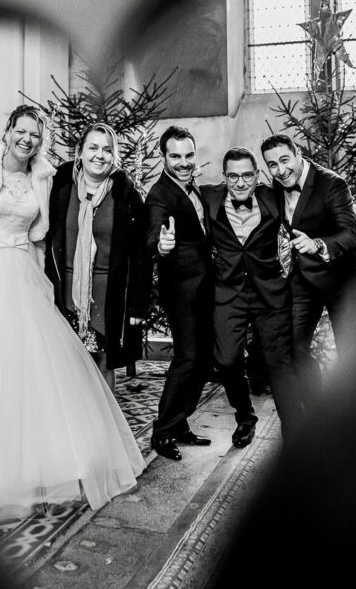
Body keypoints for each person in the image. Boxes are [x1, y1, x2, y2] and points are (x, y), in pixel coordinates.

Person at [0, 105, 144, 520]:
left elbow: (43, 234)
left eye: (34, 134)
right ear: (8, 130)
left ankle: (34, 462)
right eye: (21, 132)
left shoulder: (44, 174)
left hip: (22, 272)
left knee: (31, 366)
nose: (27, 140)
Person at [201, 146, 300, 446]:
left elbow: (307, 205)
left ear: (258, 176)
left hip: (269, 293)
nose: (240, 182)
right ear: (224, 177)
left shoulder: (273, 197)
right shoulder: (208, 197)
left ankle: (296, 436)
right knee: (227, 361)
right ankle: (245, 418)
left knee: (278, 364)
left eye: (247, 175)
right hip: (228, 292)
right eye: (233, 176)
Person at [44, 123, 150, 391]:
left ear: (113, 156)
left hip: (107, 295)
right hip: (63, 293)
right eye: (93, 148)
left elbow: (140, 255)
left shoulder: (126, 195)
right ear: (80, 151)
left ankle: (104, 429)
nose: (99, 155)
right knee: (62, 366)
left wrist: (137, 305)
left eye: (106, 150)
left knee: (102, 366)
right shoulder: (58, 186)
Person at [261, 133, 356, 403]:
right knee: (296, 348)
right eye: (272, 165)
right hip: (304, 279)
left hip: (342, 280)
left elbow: (350, 235)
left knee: (351, 353)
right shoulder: (275, 186)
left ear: (298, 154)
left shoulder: (332, 184)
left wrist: (318, 244)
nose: (281, 170)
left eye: (285, 160)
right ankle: (319, 411)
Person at [144, 125, 214, 461]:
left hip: (205, 286)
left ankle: (180, 422)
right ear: (164, 156)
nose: (184, 162)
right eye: (176, 156)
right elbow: (153, 232)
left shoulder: (192, 187)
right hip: (182, 290)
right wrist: (161, 243)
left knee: (201, 360)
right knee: (187, 359)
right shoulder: (160, 193)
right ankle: (162, 430)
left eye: (188, 155)